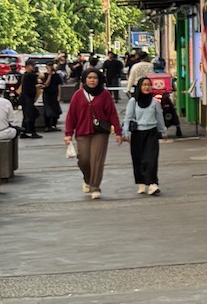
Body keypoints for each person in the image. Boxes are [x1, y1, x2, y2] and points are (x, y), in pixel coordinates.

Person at [63, 65, 122, 199]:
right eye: (89, 78)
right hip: (82, 132)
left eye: (95, 78)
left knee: (97, 160)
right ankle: (87, 180)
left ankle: (95, 186)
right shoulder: (78, 95)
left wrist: (118, 132)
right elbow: (71, 115)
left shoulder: (105, 94)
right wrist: (68, 133)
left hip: (101, 132)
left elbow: (112, 114)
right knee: (83, 160)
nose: (92, 80)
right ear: (84, 79)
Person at [124, 72, 166, 195]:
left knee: (151, 159)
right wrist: (125, 132)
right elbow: (128, 117)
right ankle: (142, 182)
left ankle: (153, 184)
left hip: (151, 133)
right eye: (144, 85)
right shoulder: (133, 101)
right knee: (139, 159)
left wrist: (162, 130)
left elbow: (160, 118)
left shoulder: (154, 102)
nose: (147, 87)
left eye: (148, 85)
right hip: (137, 134)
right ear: (139, 87)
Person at [17, 60, 42, 138]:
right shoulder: (30, 75)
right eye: (32, 65)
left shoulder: (25, 75)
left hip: (25, 97)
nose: (34, 67)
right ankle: (31, 131)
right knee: (31, 115)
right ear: (27, 66)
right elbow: (41, 76)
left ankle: (24, 131)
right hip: (27, 97)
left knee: (27, 115)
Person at [41, 60, 64, 132]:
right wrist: (49, 75)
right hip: (47, 94)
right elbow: (46, 84)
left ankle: (54, 125)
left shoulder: (57, 75)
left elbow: (59, 86)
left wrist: (59, 96)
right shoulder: (44, 75)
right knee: (47, 110)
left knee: (55, 110)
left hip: (54, 94)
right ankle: (47, 125)